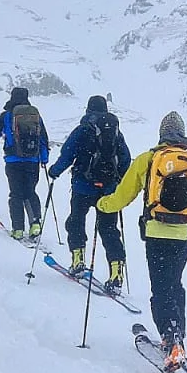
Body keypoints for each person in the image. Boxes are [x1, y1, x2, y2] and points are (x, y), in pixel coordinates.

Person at [98, 111, 187, 367]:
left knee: (161, 287)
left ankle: (170, 338)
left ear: (161, 134)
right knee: (175, 283)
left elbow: (123, 196)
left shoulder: (148, 159)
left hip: (156, 233)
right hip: (186, 235)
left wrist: (103, 204)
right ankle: (178, 336)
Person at [46, 96, 130, 281]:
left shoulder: (82, 130)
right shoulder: (116, 132)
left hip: (82, 187)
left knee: (76, 222)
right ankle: (116, 273)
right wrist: (119, 182)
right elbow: (125, 160)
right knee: (109, 230)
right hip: (108, 191)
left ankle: (78, 261)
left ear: (88, 109)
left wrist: (54, 172)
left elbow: (67, 155)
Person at [0, 86, 49, 240]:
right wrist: (44, 158)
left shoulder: (7, 115)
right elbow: (43, 138)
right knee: (30, 191)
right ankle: (35, 223)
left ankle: (18, 229)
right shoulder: (35, 115)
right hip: (33, 160)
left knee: (16, 193)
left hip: (13, 160)